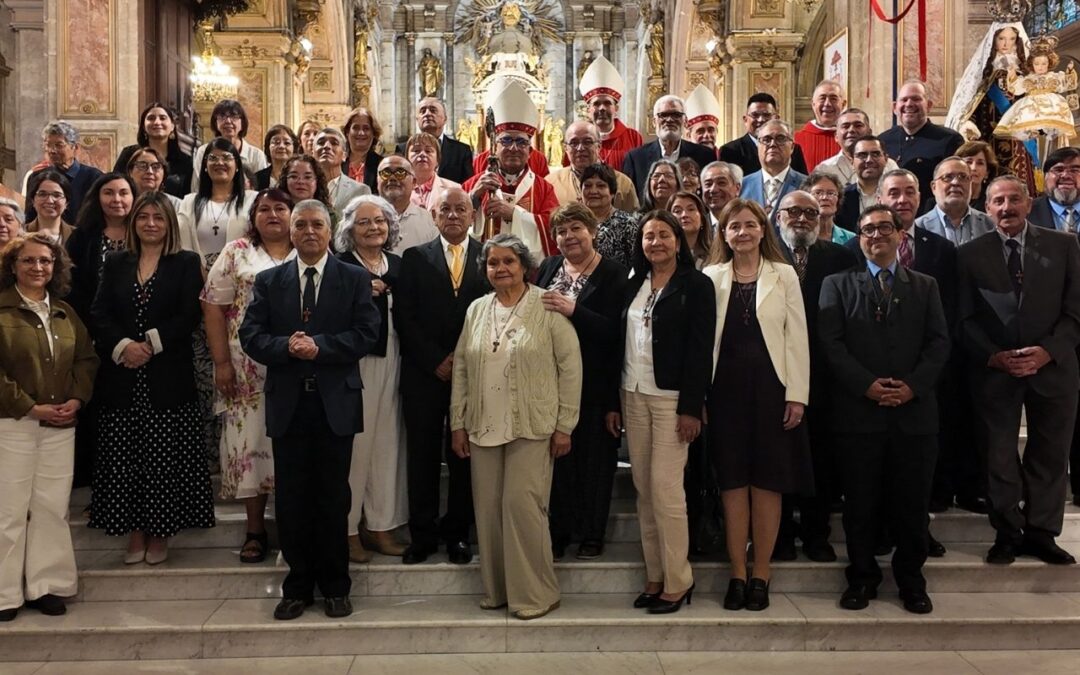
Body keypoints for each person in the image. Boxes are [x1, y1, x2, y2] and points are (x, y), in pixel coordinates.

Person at [240, 199, 380, 620]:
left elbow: (366, 333)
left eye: (317, 224)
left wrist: (320, 346)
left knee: (333, 497)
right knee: (293, 500)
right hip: (289, 405)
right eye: (300, 224)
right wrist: (286, 346)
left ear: (330, 228)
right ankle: (297, 586)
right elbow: (251, 335)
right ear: (291, 230)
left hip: (335, 403)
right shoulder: (269, 280)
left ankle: (336, 586)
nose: (309, 231)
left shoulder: (355, 278)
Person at [819, 204, 950, 615]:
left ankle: (911, 581)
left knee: (912, 505)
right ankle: (861, 578)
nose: (876, 235)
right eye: (867, 230)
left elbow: (939, 343)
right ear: (858, 238)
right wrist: (867, 386)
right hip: (859, 415)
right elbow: (831, 345)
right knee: (861, 503)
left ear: (899, 235)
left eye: (884, 228)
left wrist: (911, 387)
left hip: (914, 415)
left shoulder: (925, 285)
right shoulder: (836, 285)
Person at [449, 232, 582, 620]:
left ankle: (537, 594)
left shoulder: (548, 305)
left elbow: (570, 367)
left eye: (509, 261)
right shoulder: (476, 309)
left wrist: (565, 425)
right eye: (493, 263)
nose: (501, 268)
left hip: (534, 425)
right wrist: (458, 422)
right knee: (488, 510)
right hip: (483, 424)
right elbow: (460, 367)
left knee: (521, 506)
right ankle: (498, 591)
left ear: (525, 267)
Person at [958, 176, 1080, 567]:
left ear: (1029, 203)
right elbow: (963, 319)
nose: (1006, 207)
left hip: (1053, 368)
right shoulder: (969, 254)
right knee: (998, 455)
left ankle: (1043, 533)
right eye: (998, 201)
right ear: (987, 208)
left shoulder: (1064, 246)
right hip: (997, 371)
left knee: (1050, 453)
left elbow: (1075, 312)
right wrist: (993, 356)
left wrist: (1047, 352)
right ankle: (1008, 531)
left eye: (1014, 199)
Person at [88, 191, 214, 566]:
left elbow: (189, 313)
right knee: (125, 459)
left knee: (163, 460)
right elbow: (100, 312)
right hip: (123, 376)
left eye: (158, 218)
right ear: (134, 222)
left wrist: (150, 345)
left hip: (166, 375)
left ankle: (160, 534)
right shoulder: (116, 262)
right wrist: (124, 345)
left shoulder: (186, 263)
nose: (151, 224)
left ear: (170, 223)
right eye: (143, 217)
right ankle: (135, 532)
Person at [703, 199, 811, 611]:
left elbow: (796, 338)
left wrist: (797, 396)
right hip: (724, 391)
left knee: (767, 482)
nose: (743, 232)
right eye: (735, 226)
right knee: (732, 483)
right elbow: (701, 346)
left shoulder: (783, 275)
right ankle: (736, 572)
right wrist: (700, 398)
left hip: (772, 390)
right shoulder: (710, 276)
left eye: (751, 224)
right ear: (724, 234)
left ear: (763, 230)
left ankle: (761, 573)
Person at [608, 210, 715, 614]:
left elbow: (700, 350)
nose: (656, 243)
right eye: (649, 236)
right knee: (644, 490)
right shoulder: (633, 284)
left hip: (671, 400)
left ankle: (679, 579)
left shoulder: (697, 284)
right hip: (632, 394)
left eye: (664, 235)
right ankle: (655, 575)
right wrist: (613, 400)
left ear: (678, 240)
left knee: (666, 491)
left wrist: (691, 407)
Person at [0, 234, 98, 622]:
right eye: (29, 261)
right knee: (9, 510)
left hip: (61, 424)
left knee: (51, 508)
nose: (38, 268)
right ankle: (5, 593)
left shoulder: (64, 312)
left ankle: (47, 585)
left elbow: (87, 359)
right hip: (14, 423)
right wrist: (30, 407)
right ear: (13, 265)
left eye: (45, 261)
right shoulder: (2, 311)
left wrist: (76, 399)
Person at [394, 187, 488, 565]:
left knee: (464, 455)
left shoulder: (488, 256)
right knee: (423, 455)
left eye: (460, 209)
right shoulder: (415, 258)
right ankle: (423, 533)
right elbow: (405, 317)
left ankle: (458, 534)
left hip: (474, 373)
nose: (452, 215)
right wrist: (436, 359)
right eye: (444, 209)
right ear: (433, 217)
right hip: (424, 372)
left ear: (471, 216)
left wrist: (461, 362)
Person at [201, 188, 295, 564]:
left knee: (291, 448)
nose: (273, 214)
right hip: (245, 370)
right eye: (264, 209)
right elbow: (212, 306)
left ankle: (292, 528)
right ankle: (254, 530)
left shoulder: (306, 246)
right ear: (253, 217)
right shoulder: (237, 251)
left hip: (295, 366)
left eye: (280, 208)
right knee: (248, 447)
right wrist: (222, 362)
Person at [772, 191, 857, 562]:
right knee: (779, 460)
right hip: (777, 374)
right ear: (778, 218)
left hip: (825, 375)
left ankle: (816, 534)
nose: (802, 219)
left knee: (820, 460)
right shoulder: (766, 257)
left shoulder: (839, 257)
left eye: (810, 212)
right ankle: (780, 537)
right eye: (794, 212)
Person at [538, 204, 628, 560]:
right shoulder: (547, 267)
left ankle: (592, 532)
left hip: (595, 386)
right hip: (550, 385)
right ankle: (559, 530)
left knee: (595, 464)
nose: (568, 236)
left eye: (576, 228)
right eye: (561, 231)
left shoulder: (615, 273)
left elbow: (615, 333)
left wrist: (574, 310)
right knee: (558, 464)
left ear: (593, 231)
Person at [335, 195, 409, 560]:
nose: (373, 227)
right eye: (364, 222)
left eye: (379, 221)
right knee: (356, 448)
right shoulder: (340, 266)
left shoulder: (397, 264)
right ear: (350, 228)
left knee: (387, 444)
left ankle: (381, 525)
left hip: (394, 359)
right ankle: (348, 529)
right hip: (355, 365)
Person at [462, 82, 560, 259]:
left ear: (530, 151)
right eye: (506, 140)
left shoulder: (544, 189)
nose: (514, 148)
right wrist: (473, 198)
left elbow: (554, 229)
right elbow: (452, 221)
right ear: (495, 146)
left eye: (522, 142)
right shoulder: (474, 184)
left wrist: (513, 214)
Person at [879, 81, 965, 214]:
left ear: (929, 105)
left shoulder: (949, 139)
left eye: (916, 99)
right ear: (895, 107)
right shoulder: (882, 141)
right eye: (904, 100)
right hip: (890, 217)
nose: (909, 104)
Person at [65, 173, 136, 328]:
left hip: (137, 321)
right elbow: (71, 283)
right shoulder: (82, 237)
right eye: (108, 193)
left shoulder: (143, 234)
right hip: (90, 322)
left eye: (123, 193)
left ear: (133, 197)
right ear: (97, 197)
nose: (116, 199)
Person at [178, 138, 259, 270]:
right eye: (213, 158)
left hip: (240, 278)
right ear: (205, 166)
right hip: (196, 279)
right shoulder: (189, 202)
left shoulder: (253, 200)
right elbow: (184, 247)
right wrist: (202, 276)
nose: (219, 162)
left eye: (226, 157)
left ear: (237, 165)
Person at [622, 95, 715, 197]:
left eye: (676, 115)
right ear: (654, 122)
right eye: (663, 115)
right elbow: (630, 199)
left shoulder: (705, 155)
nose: (670, 119)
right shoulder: (635, 158)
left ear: (685, 121)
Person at [546, 120, 638, 213]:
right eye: (574, 143)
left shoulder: (623, 184)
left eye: (587, 142)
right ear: (565, 148)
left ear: (599, 146)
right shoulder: (551, 183)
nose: (580, 148)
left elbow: (634, 222)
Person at [24, 121, 104, 225]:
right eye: (48, 145)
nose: (52, 150)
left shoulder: (94, 177)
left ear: (75, 147)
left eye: (59, 145)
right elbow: (30, 217)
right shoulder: (36, 177)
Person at [576, 55, 643, 170]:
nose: (602, 108)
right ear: (588, 110)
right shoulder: (577, 138)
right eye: (596, 104)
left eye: (607, 103)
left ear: (616, 108)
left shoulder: (633, 137)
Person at [113, 103, 193, 198]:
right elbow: (116, 184)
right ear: (143, 126)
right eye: (151, 118)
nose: (157, 122)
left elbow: (188, 195)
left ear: (172, 126)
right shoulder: (129, 154)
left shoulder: (185, 161)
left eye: (163, 118)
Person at [719, 93, 809, 177]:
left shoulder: (791, 148)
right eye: (755, 115)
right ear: (745, 119)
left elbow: (802, 184)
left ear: (776, 118)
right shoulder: (729, 151)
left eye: (767, 115)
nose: (761, 120)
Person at [914, 157, 995, 245]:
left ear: (970, 184)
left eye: (963, 177)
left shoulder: (989, 225)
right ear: (934, 187)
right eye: (947, 177)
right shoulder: (918, 228)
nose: (956, 182)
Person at [191, 100, 268, 193]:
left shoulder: (256, 155)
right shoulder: (204, 151)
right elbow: (197, 187)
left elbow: (262, 191)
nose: (228, 121)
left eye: (234, 116)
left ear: (242, 123)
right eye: (222, 116)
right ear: (215, 122)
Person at [739, 120, 808, 223]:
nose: (772, 144)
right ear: (758, 146)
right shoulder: (741, 186)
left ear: (792, 147)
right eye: (766, 139)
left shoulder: (807, 185)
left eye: (780, 139)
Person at [395, 98, 474, 185]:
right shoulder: (402, 149)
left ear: (445, 119)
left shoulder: (461, 151)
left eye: (433, 110)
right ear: (417, 119)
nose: (427, 114)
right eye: (423, 111)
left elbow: (468, 185)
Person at [816, 108, 899, 186]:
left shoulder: (888, 165)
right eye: (845, 126)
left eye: (858, 125)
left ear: (869, 132)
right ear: (836, 136)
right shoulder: (825, 169)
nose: (851, 130)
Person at [582, 163, 639, 270]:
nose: (593, 191)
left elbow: (638, 266)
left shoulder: (627, 223)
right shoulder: (576, 223)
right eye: (587, 185)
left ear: (612, 192)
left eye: (601, 186)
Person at [376, 156, 438, 254]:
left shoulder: (429, 221)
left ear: (414, 182)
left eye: (400, 173)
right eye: (386, 173)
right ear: (377, 181)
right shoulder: (361, 218)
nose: (392, 178)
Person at [313, 127, 370, 222]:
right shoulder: (302, 187)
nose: (326, 146)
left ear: (344, 155)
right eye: (321, 143)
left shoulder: (360, 191)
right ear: (313, 153)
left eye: (334, 143)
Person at [836, 136, 891, 232]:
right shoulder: (841, 198)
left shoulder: (896, 196)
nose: (869, 160)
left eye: (875, 154)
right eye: (862, 155)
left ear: (886, 159)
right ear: (852, 161)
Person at [794, 81, 847, 173]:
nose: (827, 104)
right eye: (822, 98)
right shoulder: (796, 140)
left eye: (833, 99)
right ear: (813, 104)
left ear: (843, 104)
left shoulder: (851, 140)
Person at [1028, 146, 1080, 231]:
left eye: (1074, 170)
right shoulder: (1026, 212)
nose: (1066, 176)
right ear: (1045, 177)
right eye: (1058, 170)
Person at [407, 131, 462, 211]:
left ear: (437, 160)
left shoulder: (454, 188)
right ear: (406, 158)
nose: (422, 154)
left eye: (428, 151)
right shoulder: (398, 189)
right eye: (416, 151)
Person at [802, 172, 855, 245]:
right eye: (818, 193)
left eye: (830, 193)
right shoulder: (799, 237)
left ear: (838, 199)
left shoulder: (851, 239)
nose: (825, 197)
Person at [24, 171, 74, 245]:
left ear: (66, 203)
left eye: (57, 195)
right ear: (33, 200)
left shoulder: (78, 236)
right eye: (42, 194)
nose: (50, 201)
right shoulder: (20, 234)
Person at [342, 107, 384, 193]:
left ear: (374, 133)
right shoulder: (338, 163)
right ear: (347, 132)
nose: (361, 133)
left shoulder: (381, 165)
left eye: (366, 128)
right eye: (356, 128)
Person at [668, 191, 711, 268]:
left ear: (702, 220)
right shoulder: (663, 255)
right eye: (677, 211)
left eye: (691, 209)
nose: (684, 215)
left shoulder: (714, 256)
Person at [955, 140, 999, 212]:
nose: (974, 168)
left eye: (980, 163)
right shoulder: (941, 200)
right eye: (969, 162)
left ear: (987, 172)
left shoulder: (995, 201)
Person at [700, 161, 743, 233]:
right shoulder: (697, 227)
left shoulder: (749, 223)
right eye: (708, 184)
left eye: (721, 183)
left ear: (737, 188)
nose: (713, 189)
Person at [255, 124, 300, 190]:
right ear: (268, 148)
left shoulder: (301, 177)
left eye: (287, 143)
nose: (281, 146)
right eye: (276, 142)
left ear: (294, 148)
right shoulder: (257, 178)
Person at [684, 84, 723, 151]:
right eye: (700, 131)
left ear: (717, 132)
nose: (707, 135)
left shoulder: (726, 158)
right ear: (688, 135)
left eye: (711, 130)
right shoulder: (681, 160)